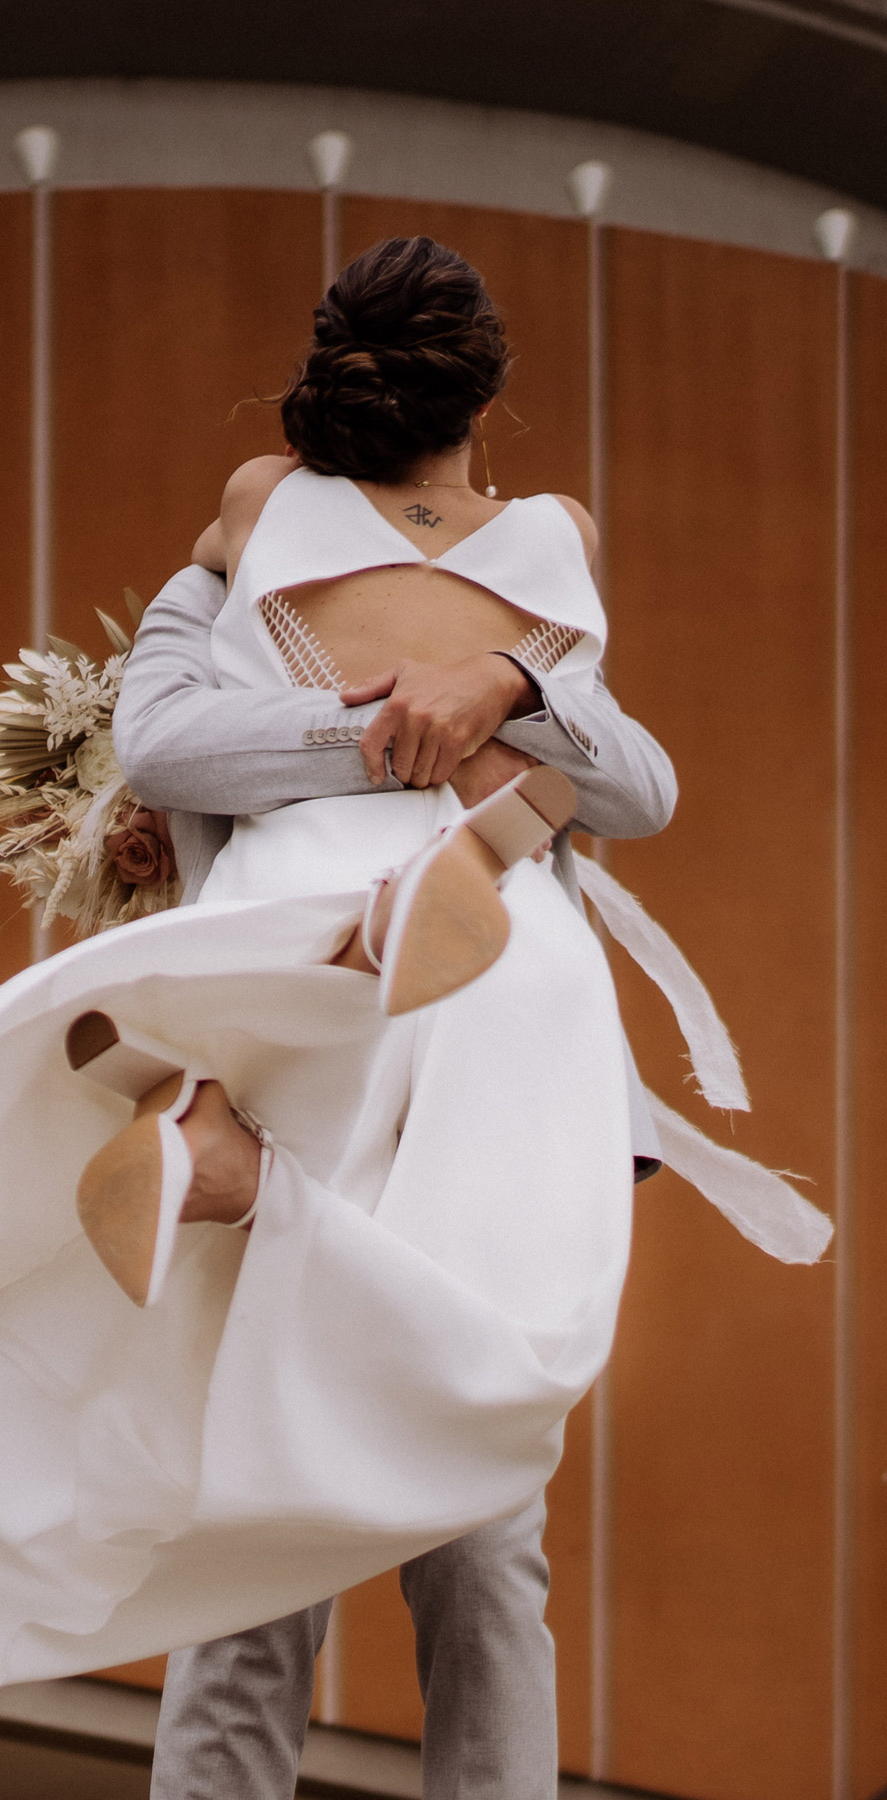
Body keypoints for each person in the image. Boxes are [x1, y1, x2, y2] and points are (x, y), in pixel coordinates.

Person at [0, 238, 659, 1772]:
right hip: (500, 1026)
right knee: (480, 1525)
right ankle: (258, 1131)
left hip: (348, 999)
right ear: (488, 391)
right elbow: (179, 755)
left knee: (289, 1505)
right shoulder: (529, 532)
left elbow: (174, 750)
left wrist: (502, 692)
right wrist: (440, 728)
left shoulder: (258, 510)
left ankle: (228, 1158)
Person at [112, 548, 674, 1800]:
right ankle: (225, 1161)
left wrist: (509, 679)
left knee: (482, 1541)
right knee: (256, 1543)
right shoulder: (213, 590)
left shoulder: (528, 597)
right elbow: (165, 752)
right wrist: (413, 728)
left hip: (500, 1103)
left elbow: (640, 787)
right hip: (298, 1088)